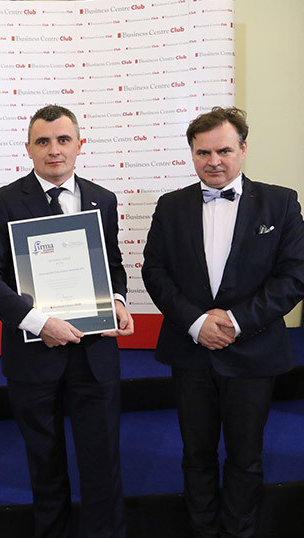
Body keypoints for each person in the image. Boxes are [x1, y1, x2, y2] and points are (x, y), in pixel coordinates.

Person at [0, 105, 134, 538]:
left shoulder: (103, 199)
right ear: (28, 148)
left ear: (80, 144)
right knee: (45, 470)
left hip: (95, 355)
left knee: (104, 467)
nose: (54, 150)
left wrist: (117, 300)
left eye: (63, 140)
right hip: (33, 357)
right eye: (43, 141)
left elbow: (113, 265)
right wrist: (38, 322)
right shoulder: (4, 201)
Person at [142, 106, 304, 537]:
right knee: (195, 455)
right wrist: (197, 323)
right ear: (192, 153)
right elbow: (154, 272)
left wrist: (234, 321)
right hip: (190, 351)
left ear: (243, 150)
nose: (214, 161)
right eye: (203, 152)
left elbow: (295, 275)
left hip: (253, 351)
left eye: (224, 151)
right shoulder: (170, 206)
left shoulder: (280, 202)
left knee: (245, 457)